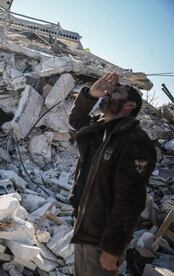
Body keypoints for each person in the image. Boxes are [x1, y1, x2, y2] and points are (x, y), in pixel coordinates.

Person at [68, 72, 156, 275]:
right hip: (82, 227)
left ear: (129, 105)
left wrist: (112, 248)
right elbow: (76, 119)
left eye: (115, 92)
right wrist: (91, 93)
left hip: (101, 240)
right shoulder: (100, 129)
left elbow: (130, 200)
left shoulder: (136, 141)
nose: (106, 93)